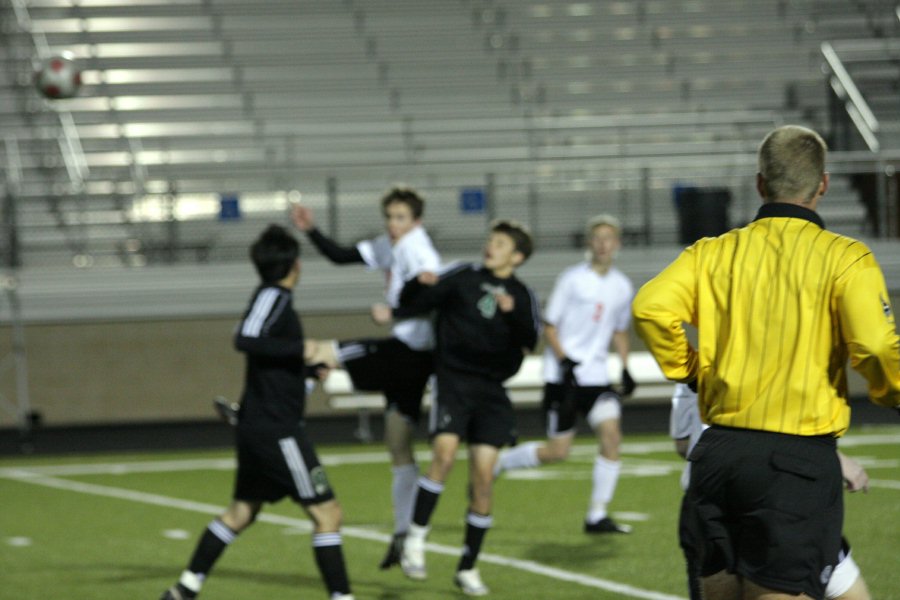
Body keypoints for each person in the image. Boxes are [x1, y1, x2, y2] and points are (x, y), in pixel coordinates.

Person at [632, 125, 900, 600]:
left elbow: (650, 307)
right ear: (823, 184)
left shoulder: (713, 253)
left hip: (716, 457)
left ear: (760, 184)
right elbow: (877, 347)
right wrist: (893, 392)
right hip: (794, 462)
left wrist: (692, 371)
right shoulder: (845, 258)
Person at [160, 225, 354, 600]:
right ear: (296, 264)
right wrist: (301, 350)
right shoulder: (274, 296)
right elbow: (246, 337)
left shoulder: (274, 299)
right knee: (327, 514)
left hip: (259, 426)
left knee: (242, 512)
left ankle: (184, 589)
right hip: (277, 431)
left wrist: (307, 371)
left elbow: (269, 356)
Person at [373, 220, 541, 596]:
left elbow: (530, 339)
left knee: (483, 480)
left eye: (499, 243)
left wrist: (511, 311)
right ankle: (415, 541)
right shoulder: (463, 276)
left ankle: (468, 567)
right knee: (443, 457)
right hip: (454, 383)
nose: (490, 246)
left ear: (517, 256)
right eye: (490, 240)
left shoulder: (522, 294)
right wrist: (405, 298)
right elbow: (421, 299)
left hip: (492, 393)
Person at [291, 186, 441, 569]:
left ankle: (277, 412)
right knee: (398, 446)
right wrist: (311, 230)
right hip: (410, 358)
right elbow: (341, 256)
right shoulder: (393, 244)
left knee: (317, 353)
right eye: (390, 217)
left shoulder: (418, 249)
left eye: (401, 217)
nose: (393, 225)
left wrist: (396, 314)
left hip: (406, 354)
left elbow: (431, 293)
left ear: (416, 221)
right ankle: (404, 538)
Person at [494, 214, 637, 534]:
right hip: (564, 379)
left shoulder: (622, 285)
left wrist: (625, 367)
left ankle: (597, 515)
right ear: (590, 243)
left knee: (612, 437)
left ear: (617, 244)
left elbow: (619, 331)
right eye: (597, 238)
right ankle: (500, 463)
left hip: (597, 379)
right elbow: (550, 325)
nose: (603, 244)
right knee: (558, 451)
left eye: (608, 238)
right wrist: (565, 361)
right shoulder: (572, 279)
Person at [669, 383, 873, 600]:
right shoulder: (776, 363)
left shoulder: (699, 364)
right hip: (781, 480)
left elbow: (682, 444)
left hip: (707, 482)